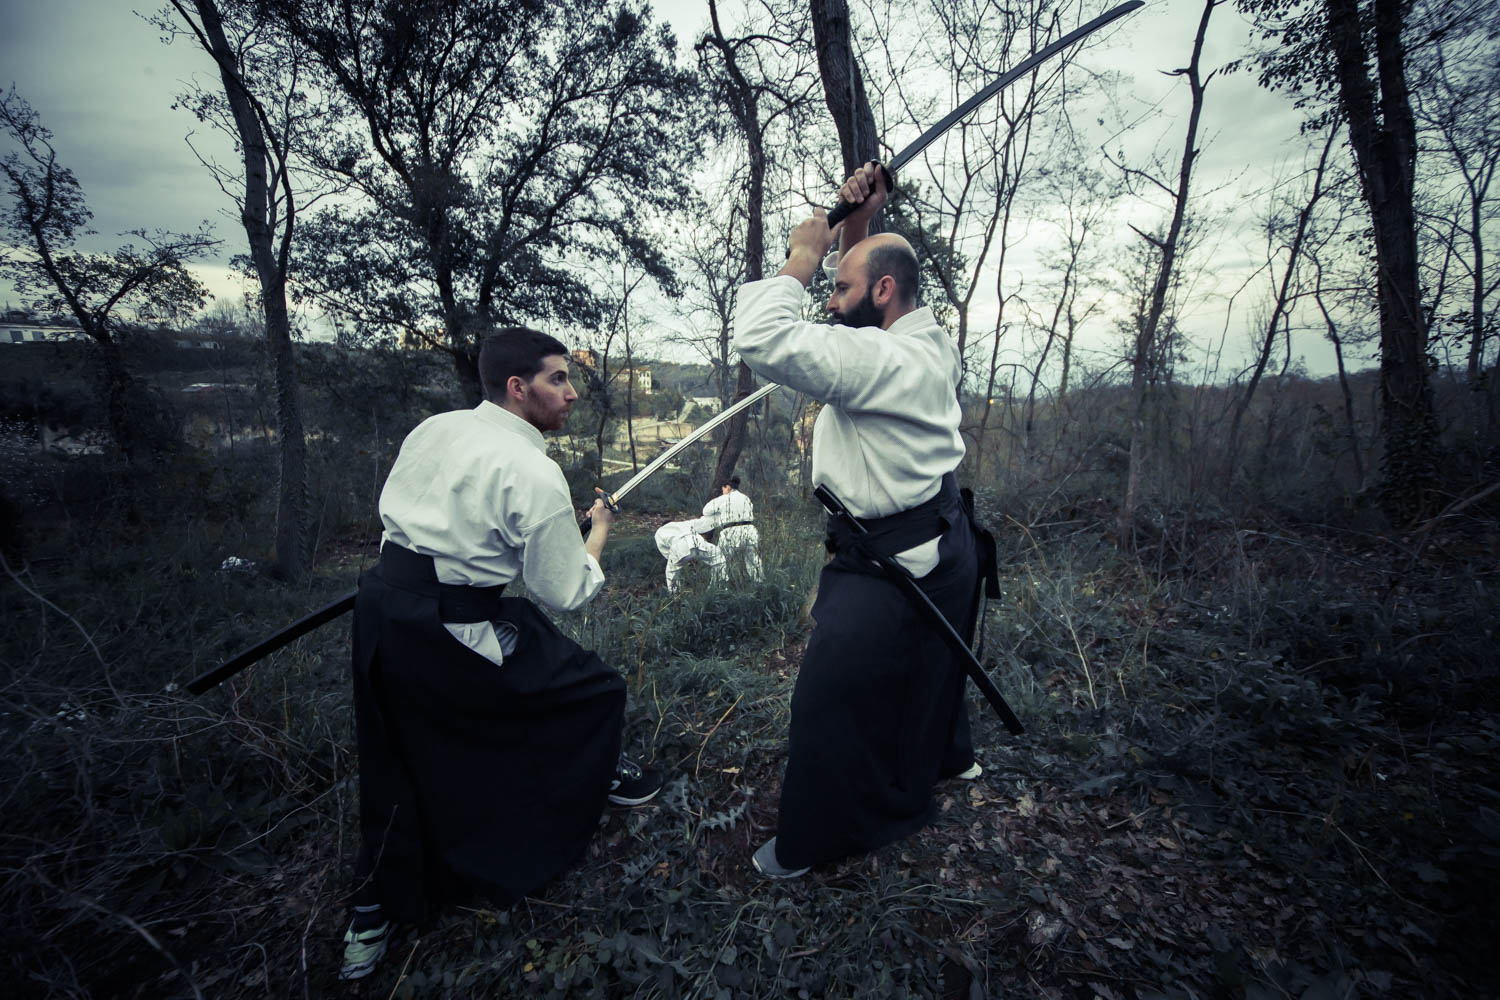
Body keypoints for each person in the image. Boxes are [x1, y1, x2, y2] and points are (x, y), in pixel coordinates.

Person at [341, 327, 663, 979]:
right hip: (447, 629)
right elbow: (566, 590)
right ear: (518, 389)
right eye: (558, 379)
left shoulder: (437, 428)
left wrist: (539, 535)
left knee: (392, 752)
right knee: (594, 688)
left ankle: (371, 908)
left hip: (380, 608)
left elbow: (440, 524)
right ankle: (378, 902)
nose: (573, 393)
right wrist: (595, 534)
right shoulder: (534, 471)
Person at [732, 162, 987, 879]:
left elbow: (762, 336)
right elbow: (864, 306)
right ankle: (939, 762)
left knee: (827, 703)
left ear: (882, 293)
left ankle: (817, 840)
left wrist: (805, 255)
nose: (828, 299)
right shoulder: (922, 339)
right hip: (939, 545)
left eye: (841, 289)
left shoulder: (883, 361)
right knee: (924, 671)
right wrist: (860, 226)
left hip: (894, 561)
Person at [698, 477, 763, 582]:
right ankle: (759, 584)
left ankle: (717, 586)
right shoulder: (746, 498)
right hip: (750, 530)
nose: (722, 492)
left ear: (727, 487)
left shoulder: (723, 499)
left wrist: (720, 512)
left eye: (723, 489)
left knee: (721, 560)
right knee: (753, 560)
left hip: (731, 531)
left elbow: (706, 511)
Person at [654, 516, 726, 591]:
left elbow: (666, 552)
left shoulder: (659, 532)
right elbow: (703, 523)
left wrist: (679, 560)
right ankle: (718, 587)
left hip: (679, 545)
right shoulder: (683, 524)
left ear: (662, 525)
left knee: (672, 572)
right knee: (718, 558)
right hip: (697, 541)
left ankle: (675, 595)